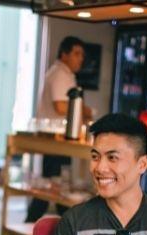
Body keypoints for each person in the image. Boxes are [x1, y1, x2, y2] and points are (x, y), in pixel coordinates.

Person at [25, 36, 94, 224]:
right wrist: (85, 110)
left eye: (82, 55)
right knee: (54, 185)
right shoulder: (60, 74)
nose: (80, 59)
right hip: (56, 139)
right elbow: (61, 107)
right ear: (64, 54)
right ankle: (34, 225)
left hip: (61, 139)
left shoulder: (63, 74)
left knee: (56, 184)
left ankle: (62, 226)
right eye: (76, 54)